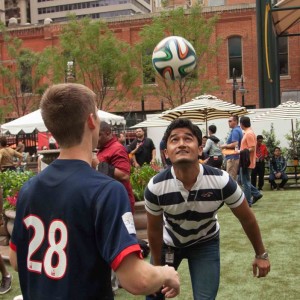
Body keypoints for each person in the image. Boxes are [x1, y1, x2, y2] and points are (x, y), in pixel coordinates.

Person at [9, 83, 180, 300]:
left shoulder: (28, 189)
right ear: (91, 120)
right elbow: (137, 279)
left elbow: (16, 260)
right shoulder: (106, 191)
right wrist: (166, 272)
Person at [145, 118, 270, 300]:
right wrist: (157, 269)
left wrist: (261, 254)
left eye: (188, 139)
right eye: (174, 140)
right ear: (166, 153)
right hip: (168, 243)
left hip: (205, 242)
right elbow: (154, 229)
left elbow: (247, 218)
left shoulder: (221, 181)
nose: (181, 144)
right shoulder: (156, 186)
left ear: (200, 149)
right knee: (154, 294)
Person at [94, 121, 135, 213]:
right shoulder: (103, 148)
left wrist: (98, 165)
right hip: (110, 200)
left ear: (107, 133)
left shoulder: (117, 148)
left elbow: (124, 175)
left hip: (119, 203)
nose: (95, 139)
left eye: (98, 135)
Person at [239, 116, 263, 206]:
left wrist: (241, 151)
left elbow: (252, 148)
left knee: (245, 182)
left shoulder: (249, 133)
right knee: (243, 180)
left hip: (246, 161)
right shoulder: (248, 132)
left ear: (241, 124)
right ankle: (256, 194)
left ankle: (248, 202)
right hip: (245, 160)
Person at [220, 115, 243, 180]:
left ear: (235, 121)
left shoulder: (235, 131)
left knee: (231, 178)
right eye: (228, 121)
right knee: (231, 178)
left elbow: (235, 144)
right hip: (233, 157)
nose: (228, 123)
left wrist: (224, 146)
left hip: (233, 158)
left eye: (230, 121)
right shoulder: (237, 130)